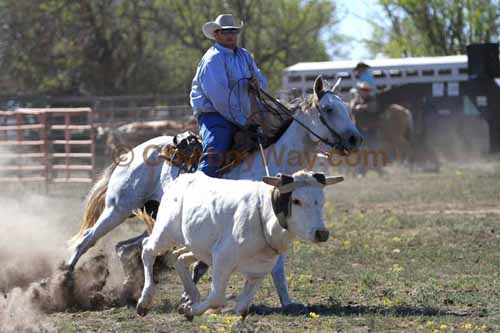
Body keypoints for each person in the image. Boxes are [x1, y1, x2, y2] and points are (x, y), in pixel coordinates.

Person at [190, 14, 267, 178]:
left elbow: (262, 82)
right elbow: (220, 98)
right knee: (215, 151)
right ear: (216, 35)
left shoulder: (244, 55)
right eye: (225, 32)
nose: (231, 35)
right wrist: (243, 121)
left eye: (233, 31)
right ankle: (198, 186)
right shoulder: (213, 59)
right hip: (215, 116)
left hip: (244, 116)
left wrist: (257, 85)